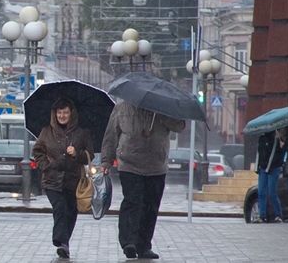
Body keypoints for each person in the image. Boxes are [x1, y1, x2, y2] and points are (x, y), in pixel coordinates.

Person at [99, 100, 185, 260]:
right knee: (133, 201)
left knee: (151, 206)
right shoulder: (122, 108)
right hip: (129, 164)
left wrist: (164, 114)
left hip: (156, 165)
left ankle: (144, 245)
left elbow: (179, 126)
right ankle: (128, 242)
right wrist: (106, 161)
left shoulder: (162, 108)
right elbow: (111, 136)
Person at [32, 97, 94, 259]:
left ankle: (64, 245)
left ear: (71, 113)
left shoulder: (82, 132)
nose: (62, 115)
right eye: (59, 112)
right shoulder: (47, 132)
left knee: (71, 211)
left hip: (73, 180)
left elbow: (90, 155)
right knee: (60, 208)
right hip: (51, 179)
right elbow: (37, 152)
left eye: (65, 112)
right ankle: (60, 240)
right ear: (55, 114)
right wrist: (46, 165)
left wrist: (77, 154)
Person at [254, 130, 286, 223]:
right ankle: (262, 215)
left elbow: (281, 154)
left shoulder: (277, 139)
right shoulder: (262, 138)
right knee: (261, 192)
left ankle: (278, 214)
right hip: (263, 168)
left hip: (274, 168)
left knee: (272, 192)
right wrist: (258, 167)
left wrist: (282, 146)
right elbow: (259, 153)